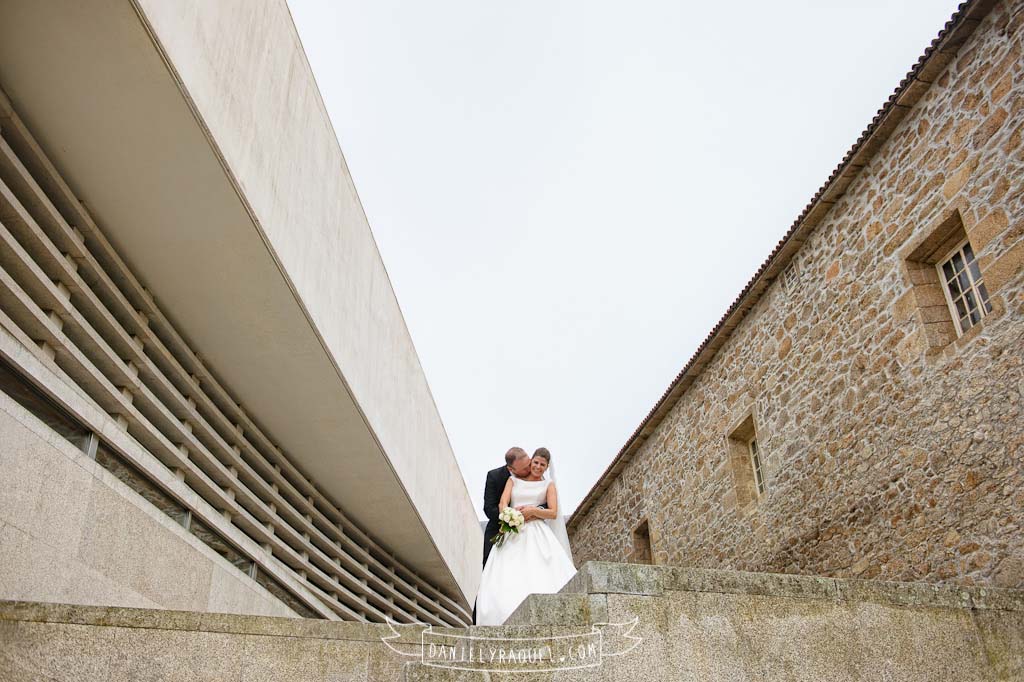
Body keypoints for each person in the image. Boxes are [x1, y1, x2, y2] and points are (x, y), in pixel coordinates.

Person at [475, 448, 577, 626]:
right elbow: (497, 505)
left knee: (540, 569)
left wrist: (532, 512)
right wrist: (510, 516)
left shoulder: (547, 484)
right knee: (496, 574)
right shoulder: (506, 478)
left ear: (546, 466)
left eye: (538, 464)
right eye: (533, 464)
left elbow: (552, 511)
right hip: (505, 530)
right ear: (512, 469)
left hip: (536, 530)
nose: (534, 467)